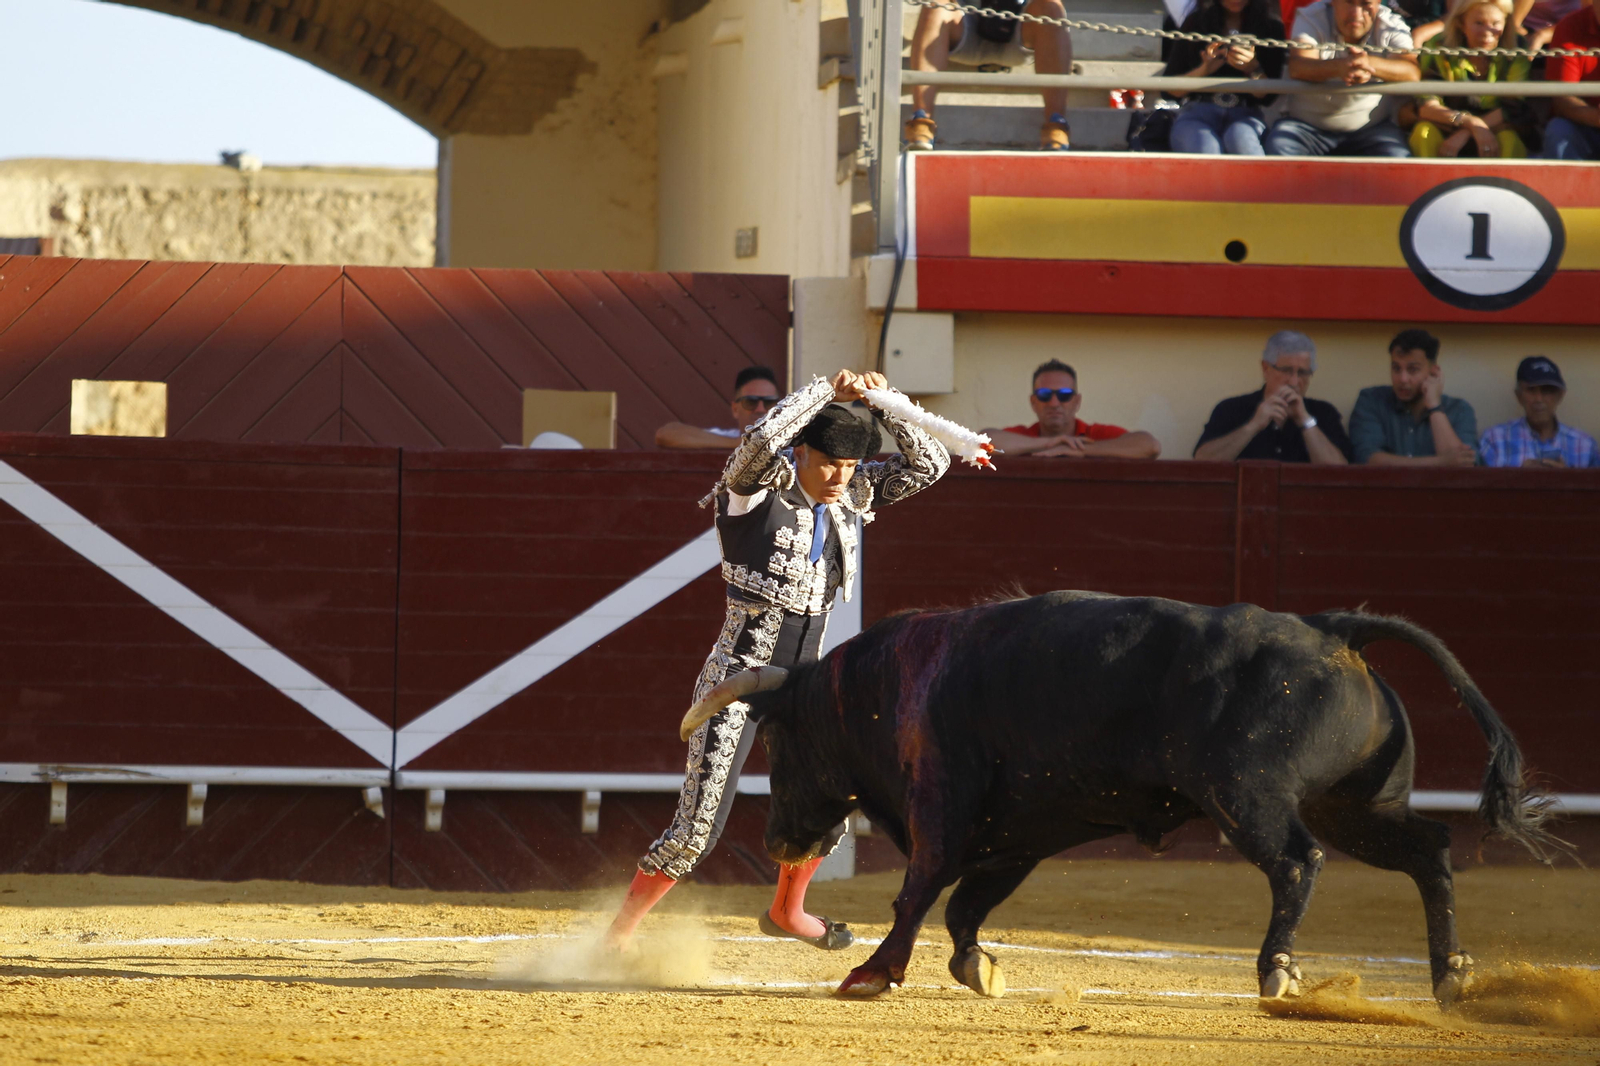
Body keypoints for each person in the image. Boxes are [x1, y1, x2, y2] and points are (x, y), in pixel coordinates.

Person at [606, 369, 951, 951]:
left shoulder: (854, 493)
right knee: (696, 831)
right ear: (803, 451)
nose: (841, 476)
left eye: (851, 464)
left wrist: (882, 402)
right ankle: (617, 936)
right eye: (829, 463)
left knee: (830, 803)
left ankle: (788, 912)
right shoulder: (754, 492)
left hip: (806, 689)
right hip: (736, 682)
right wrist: (823, 391)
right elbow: (761, 443)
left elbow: (931, 464)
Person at [905, 0, 1075, 151]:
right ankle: (921, 120)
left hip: (1021, 27)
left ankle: (1055, 124)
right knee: (936, 4)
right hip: (965, 23)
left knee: (1051, 7)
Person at [1264, 0, 1420, 157]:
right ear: (1333, 2)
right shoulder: (1311, 16)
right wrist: (1340, 68)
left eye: (1366, 4)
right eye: (1349, 2)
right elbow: (1299, 67)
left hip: (1372, 130)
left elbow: (1411, 72)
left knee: (1398, 159)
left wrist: (1368, 64)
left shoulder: (1391, 23)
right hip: (1305, 128)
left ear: (1378, 3)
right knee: (1279, 152)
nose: (1356, 14)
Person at [1193, 330, 1353, 463]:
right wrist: (1253, 425)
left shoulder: (1324, 412)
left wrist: (1305, 420)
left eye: (1303, 372)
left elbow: (1339, 471)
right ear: (1265, 368)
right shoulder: (1231, 409)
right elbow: (1202, 462)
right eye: (1286, 370)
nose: (1294, 381)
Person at [1405, 0, 1534, 158]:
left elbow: (1513, 107)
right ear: (1461, 23)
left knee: (1509, 140)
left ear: (1506, 23)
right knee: (1424, 132)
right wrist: (1470, 123)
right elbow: (1427, 105)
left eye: (1496, 23)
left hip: (1497, 127)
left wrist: (1469, 132)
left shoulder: (1517, 46)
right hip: (1447, 125)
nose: (1488, 32)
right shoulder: (1438, 45)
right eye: (1479, 23)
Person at [1163, 0, 1286, 155]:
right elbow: (1169, 91)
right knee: (1205, 147)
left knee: (1242, 141)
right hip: (1198, 111)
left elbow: (1268, 97)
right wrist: (1204, 69)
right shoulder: (1197, 22)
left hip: (1245, 112)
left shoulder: (1270, 26)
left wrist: (1252, 68)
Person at [1349, 329, 1478, 465]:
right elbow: (1369, 459)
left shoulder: (1459, 410)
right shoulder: (1371, 401)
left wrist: (1435, 407)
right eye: (1396, 369)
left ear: (1433, 372)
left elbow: (1463, 467)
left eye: (1413, 369)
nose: (1403, 379)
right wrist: (1440, 462)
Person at [984, 360, 1162, 458]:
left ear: (1077, 402)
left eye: (1065, 395)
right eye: (1045, 394)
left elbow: (1150, 446)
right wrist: (1049, 443)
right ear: (1033, 402)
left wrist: (1077, 450)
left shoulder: (1094, 435)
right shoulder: (1023, 436)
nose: (1054, 403)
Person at [1479, 356, 1600, 467]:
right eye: (1531, 390)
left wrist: (1566, 479)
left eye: (1547, 391)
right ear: (1518, 395)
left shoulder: (1585, 445)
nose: (1539, 399)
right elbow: (1481, 489)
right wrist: (1518, 478)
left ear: (1560, 395)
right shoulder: (1494, 441)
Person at [655, 366, 782, 450]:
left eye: (769, 402)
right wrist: (742, 443)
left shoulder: (794, 441)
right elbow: (666, 434)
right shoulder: (728, 437)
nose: (760, 409)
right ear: (735, 409)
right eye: (750, 402)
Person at [1542, 2, 1600, 159]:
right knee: (1559, 130)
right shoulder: (1571, 26)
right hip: (1585, 127)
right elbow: (1562, 98)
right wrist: (1596, 117)